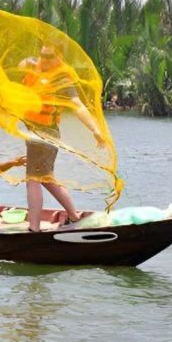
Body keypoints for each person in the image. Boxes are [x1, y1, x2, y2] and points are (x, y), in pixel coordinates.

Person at [20, 44, 105, 231]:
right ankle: (74, 217)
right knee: (46, 179)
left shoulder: (63, 79)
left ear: (59, 57)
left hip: (45, 133)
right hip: (33, 132)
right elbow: (20, 66)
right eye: (42, 55)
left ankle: (33, 229)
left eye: (50, 56)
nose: (45, 59)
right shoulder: (33, 68)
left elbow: (78, 105)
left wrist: (95, 129)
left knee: (32, 179)